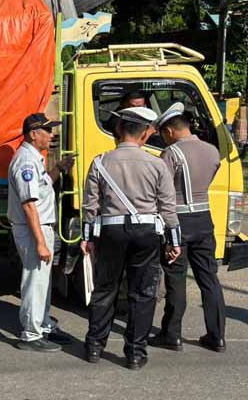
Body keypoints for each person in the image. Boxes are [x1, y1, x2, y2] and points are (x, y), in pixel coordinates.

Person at [80, 106, 182, 370]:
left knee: (105, 289)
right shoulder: (157, 163)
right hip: (146, 233)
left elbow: (90, 205)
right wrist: (175, 241)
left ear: (118, 130)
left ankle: (94, 346)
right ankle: (135, 353)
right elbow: (167, 208)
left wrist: (86, 237)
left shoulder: (100, 162)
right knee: (143, 292)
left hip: (111, 232)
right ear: (146, 134)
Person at [149, 103, 227, 353]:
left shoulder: (171, 154)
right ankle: (217, 336)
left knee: (176, 279)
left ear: (170, 131)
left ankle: (172, 334)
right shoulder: (213, 151)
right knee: (209, 278)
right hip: (204, 220)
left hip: (178, 223)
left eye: (163, 134)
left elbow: (163, 191)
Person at [7, 113, 75, 352]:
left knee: (42, 282)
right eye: (47, 130)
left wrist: (58, 168)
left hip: (40, 227)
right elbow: (28, 204)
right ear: (33, 134)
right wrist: (40, 242)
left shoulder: (35, 158)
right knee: (35, 281)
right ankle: (30, 334)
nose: (51, 134)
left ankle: (43, 326)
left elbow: (43, 184)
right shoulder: (25, 161)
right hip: (32, 229)